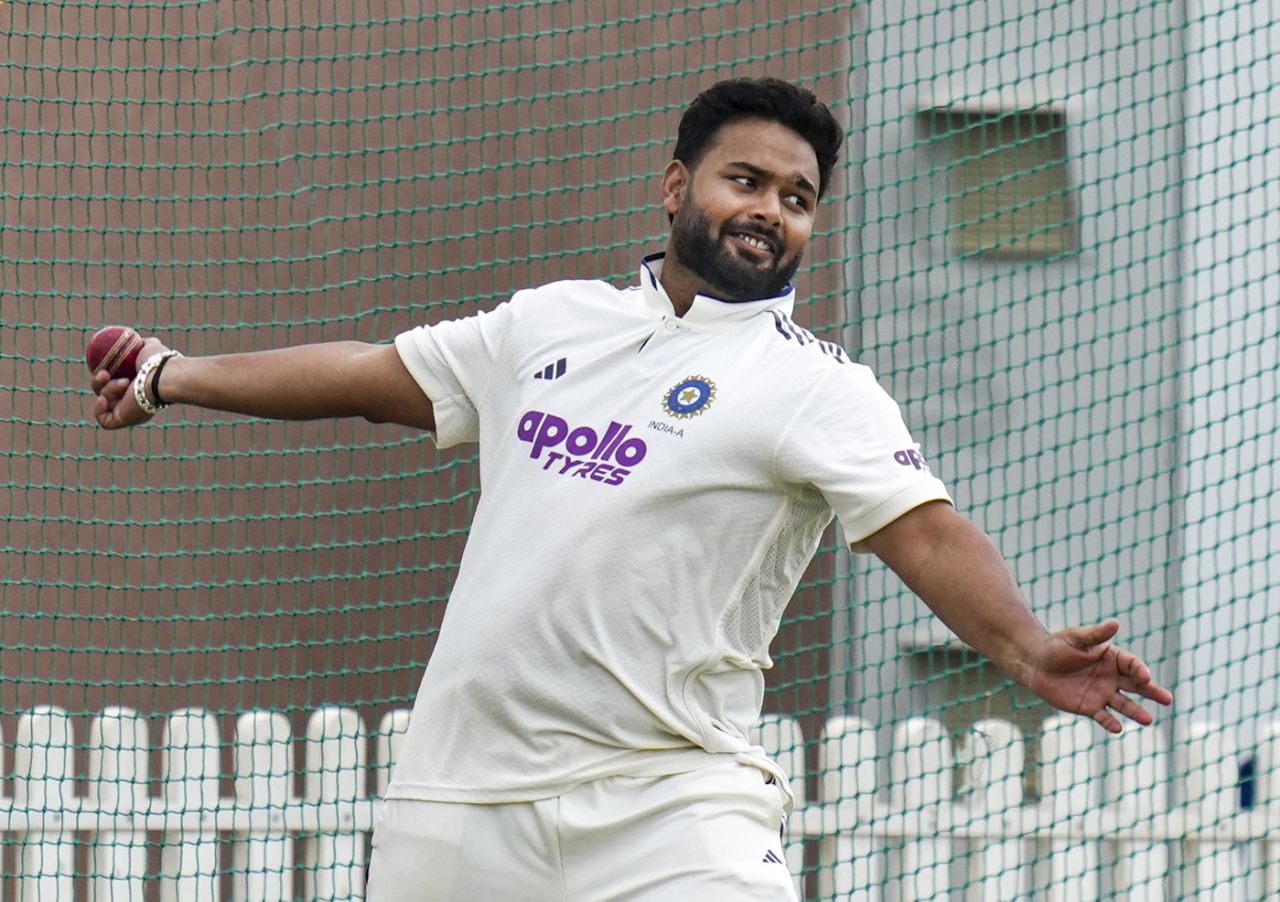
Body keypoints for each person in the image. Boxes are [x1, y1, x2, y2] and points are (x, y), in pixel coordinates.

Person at [91, 77, 1172, 901]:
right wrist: (169, 374)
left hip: (674, 806)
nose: (770, 211)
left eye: (797, 198)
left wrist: (1025, 648)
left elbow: (927, 534)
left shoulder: (817, 386)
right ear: (675, 186)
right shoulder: (548, 323)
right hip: (458, 801)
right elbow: (372, 378)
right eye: (745, 181)